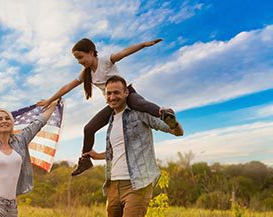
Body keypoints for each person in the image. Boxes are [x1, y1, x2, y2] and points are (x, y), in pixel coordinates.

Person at [84, 75, 183, 217]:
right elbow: (120, 150)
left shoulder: (139, 114)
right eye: (108, 93)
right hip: (113, 185)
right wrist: (98, 155)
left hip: (137, 184)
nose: (112, 97)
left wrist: (173, 122)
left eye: (116, 93)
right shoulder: (111, 120)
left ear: (126, 93)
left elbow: (175, 131)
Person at [38, 38, 180, 176]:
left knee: (139, 104)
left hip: (127, 94)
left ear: (91, 52)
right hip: (113, 103)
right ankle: (85, 161)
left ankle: (164, 114)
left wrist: (143, 44)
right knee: (88, 129)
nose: (80, 62)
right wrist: (50, 100)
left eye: (81, 57)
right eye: (77, 59)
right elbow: (68, 86)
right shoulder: (86, 73)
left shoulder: (105, 61)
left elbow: (124, 52)